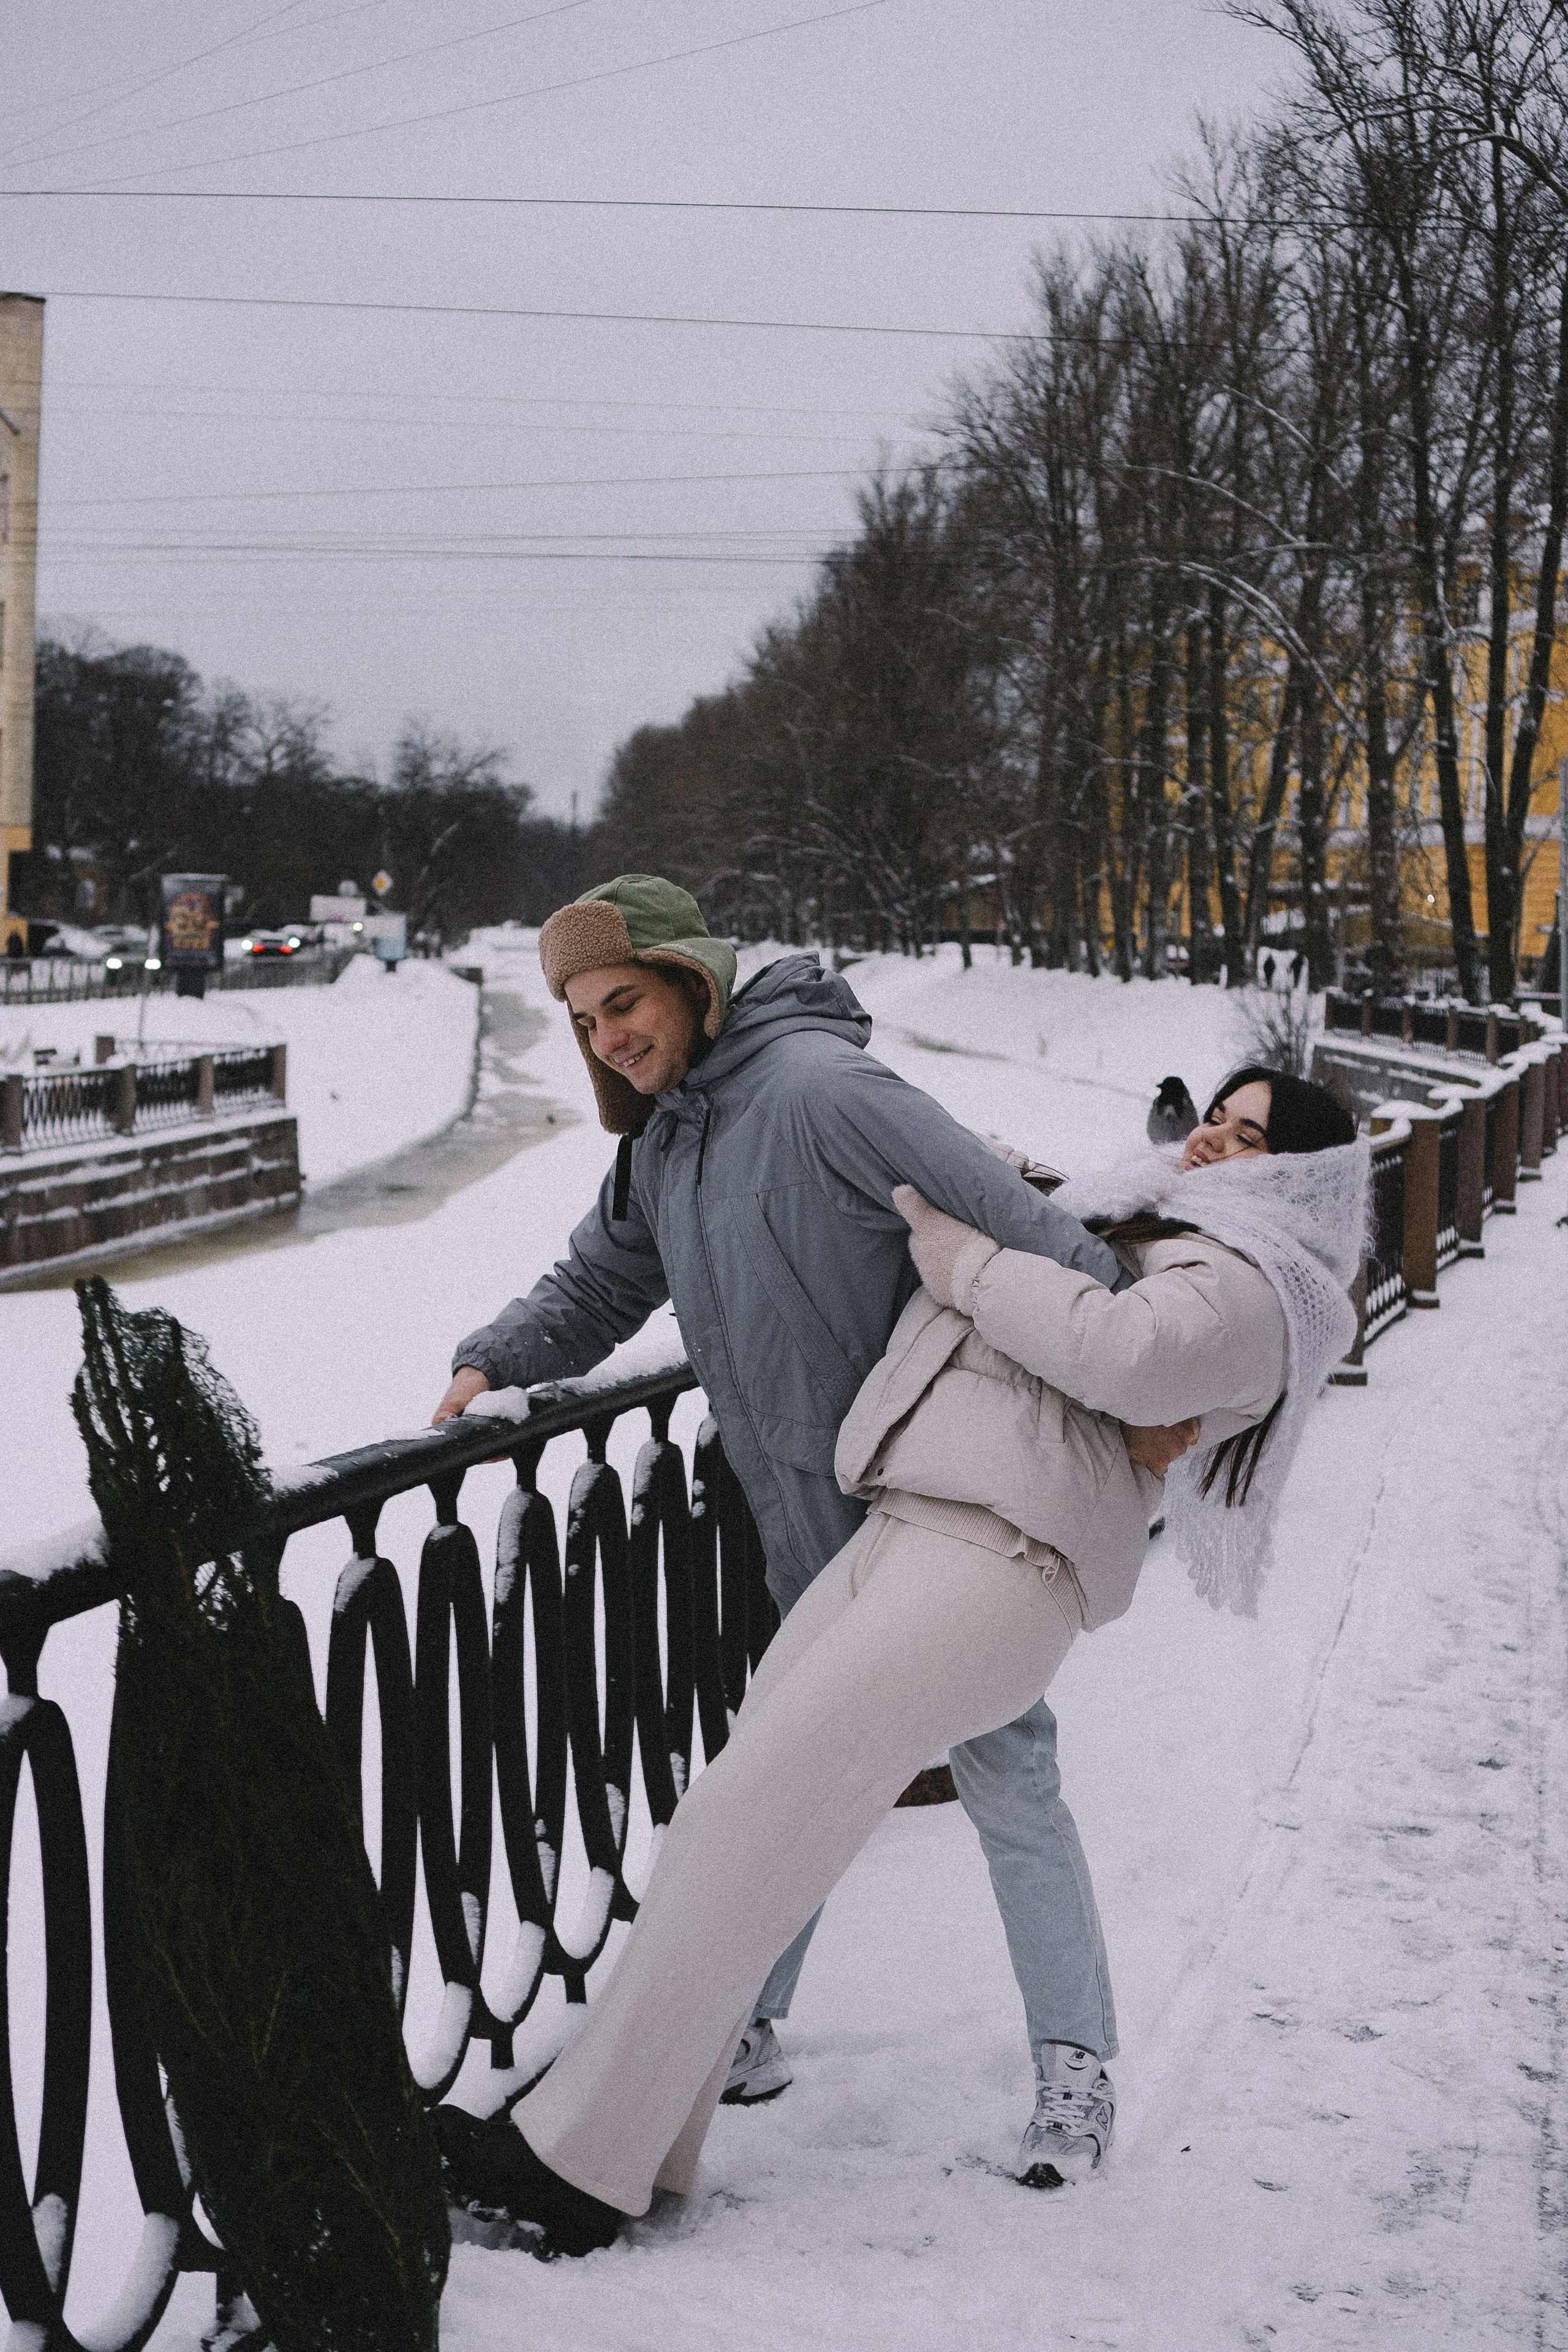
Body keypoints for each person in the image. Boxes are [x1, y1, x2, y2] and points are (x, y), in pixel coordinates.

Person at [433, 1063, 1365, 2255]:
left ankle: (568, 2172)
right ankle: (631, 2147)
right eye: (1213, 1124)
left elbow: (1125, 1357)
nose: (1211, 1148)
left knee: (750, 1819)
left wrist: (962, 1261)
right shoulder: (1129, 1216)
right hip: (911, 1516)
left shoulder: (1252, 1286)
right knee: (744, 1815)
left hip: (1002, 1560)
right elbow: (992, 1208)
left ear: (1297, 1181)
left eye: (1247, 1140)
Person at [434, 875, 1180, 2176]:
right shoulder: (666, 1139)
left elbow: (1044, 1244)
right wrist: (492, 1362)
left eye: (624, 1000)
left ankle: (1074, 2066)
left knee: (1003, 1779)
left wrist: (1139, 1408)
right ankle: (747, 2027)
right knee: (782, 1778)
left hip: (939, 1527)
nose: (609, 1035)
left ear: (688, 977)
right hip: (805, 1525)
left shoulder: (824, 1092)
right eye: (581, 1017)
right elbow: (600, 1281)